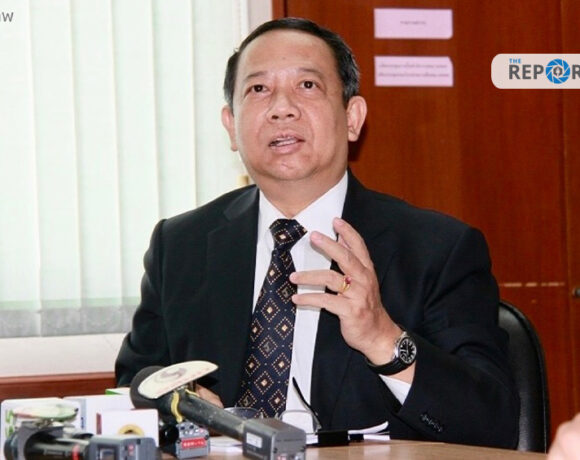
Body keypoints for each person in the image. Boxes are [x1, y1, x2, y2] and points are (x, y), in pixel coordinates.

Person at [115, 17, 519, 448]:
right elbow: (134, 389)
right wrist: (177, 403)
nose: (281, 108)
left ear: (352, 117)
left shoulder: (437, 249)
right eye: (258, 89)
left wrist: (383, 338)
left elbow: (492, 425)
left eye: (307, 86)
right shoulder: (181, 246)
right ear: (231, 126)